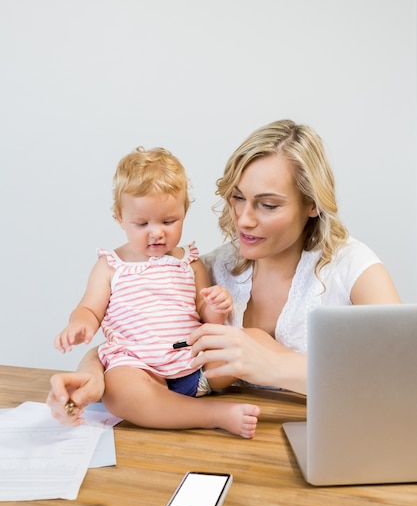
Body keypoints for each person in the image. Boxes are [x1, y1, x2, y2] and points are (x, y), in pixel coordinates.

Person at [48, 120, 400, 420]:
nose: (244, 219)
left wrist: (277, 365)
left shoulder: (352, 267)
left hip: (331, 442)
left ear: (311, 204)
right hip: (231, 445)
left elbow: (403, 376)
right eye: (237, 197)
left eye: (267, 204)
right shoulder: (214, 268)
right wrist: (90, 374)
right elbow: (141, 342)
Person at [53, 146, 260, 438]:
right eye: (142, 223)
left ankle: (193, 401)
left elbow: (206, 315)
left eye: (168, 221)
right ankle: (214, 415)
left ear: (184, 212)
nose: (156, 232)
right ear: (119, 218)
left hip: (194, 368)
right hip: (139, 369)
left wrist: (218, 303)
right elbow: (89, 308)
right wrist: (80, 324)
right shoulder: (111, 266)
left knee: (240, 345)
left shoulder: (189, 262)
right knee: (119, 391)